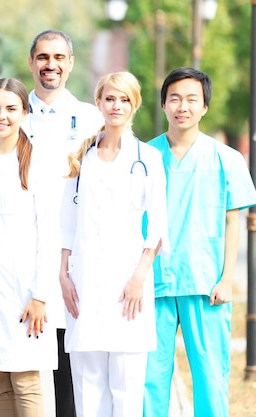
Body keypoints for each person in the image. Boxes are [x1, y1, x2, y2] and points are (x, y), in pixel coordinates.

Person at [0, 29, 104, 417]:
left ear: (70, 63)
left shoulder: (89, 118)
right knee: (4, 368)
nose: (50, 64)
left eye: (58, 57)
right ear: (31, 62)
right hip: (18, 263)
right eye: (43, 57)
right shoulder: (9, 113)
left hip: (73, 254)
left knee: (66, 370)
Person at [143, 68, 256, 417]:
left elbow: (231, 219)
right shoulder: (144, 157)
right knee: (149, 382)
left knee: (210, 378)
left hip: (206, 284)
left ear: (204, 106)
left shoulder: (226, 159)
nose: (183, 106)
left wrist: (225, 279)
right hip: (154, 284)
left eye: (192, 99)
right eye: (174, 98)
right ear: (163, 103)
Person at [59, 71, 169, 417]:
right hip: (84, 280)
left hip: (127, 282)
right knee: (87, 388)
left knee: (126, 386)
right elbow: (66, 222)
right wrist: (63, 275)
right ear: (99, 103)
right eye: (110, 98)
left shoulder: (147, 158)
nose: (116, 105)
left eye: (124, 99)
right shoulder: (82, 155)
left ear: (134, 104)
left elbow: (159, 224)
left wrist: (139, 278)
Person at [0, 77, 58, 417]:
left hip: (24, 293)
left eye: (10, 108)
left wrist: (41, 294)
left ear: (25, 113)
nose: (1, 116)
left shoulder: (39, 165)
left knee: (26, 382)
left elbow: (50, 234)